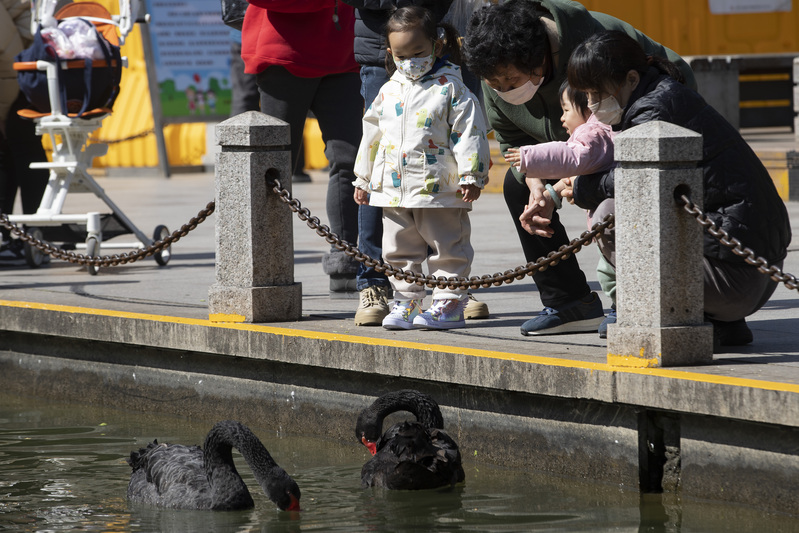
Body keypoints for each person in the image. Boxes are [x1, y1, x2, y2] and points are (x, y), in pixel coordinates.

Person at [462, 0, 696, 338]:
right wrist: (537, 186)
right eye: (494, 83)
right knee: (517, 188)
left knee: (619, 195)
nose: (503, 89)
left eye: (511, 80)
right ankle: (569, 303)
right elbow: (514, 142)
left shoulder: (591, 43)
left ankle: (638, 300)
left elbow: (617, 125)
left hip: (629, 130)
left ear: (539, 56)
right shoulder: (495, 70)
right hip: (575, 143)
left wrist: (576, 180)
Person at [565, 30, 791, 347]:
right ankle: (719, 321)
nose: (590, 104)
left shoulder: (654, 111)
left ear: (631, 79)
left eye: (595, 92)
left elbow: (631, 180)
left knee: (610, 214)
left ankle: (675, 317)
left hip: (739, 276)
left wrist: (580, 187)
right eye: (586, 94)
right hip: (758, 269)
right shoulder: (666, 95)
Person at [341, 0, 490, 326]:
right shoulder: (389, 90)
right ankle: (406, 302)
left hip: (439, 188)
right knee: (398, 250)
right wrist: (364, 178)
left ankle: (449, 303)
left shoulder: (452, 88)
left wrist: (471, 174)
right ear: (390, 53)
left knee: (447, 246)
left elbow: (471, 132)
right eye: (401, 56)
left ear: (437, 46)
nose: (409, 62)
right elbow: (372, 136)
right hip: (395, 189)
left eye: (417, 53)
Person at [241, 1, 362, 296]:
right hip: (282, 55)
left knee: (351, 162)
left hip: (345, 52)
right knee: (274, 170)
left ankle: (345, 262)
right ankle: (268, 269)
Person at [503, 79, 616, 336]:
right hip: (608, 226)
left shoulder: (592, 133)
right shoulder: (600, 131)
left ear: (588, 108)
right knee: (610, 270)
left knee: (614, 271)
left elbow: (574, 156)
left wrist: (529, 157)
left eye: (566, 110)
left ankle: (625, 311)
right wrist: (549, 194)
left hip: (614, 225)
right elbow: (573, 175)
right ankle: (620, 309)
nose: (562, 118)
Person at [0, 0, 48, 257]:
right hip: (33, 72)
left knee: (17, 147)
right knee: (23, 150)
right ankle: (36, 232)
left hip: (20, 78)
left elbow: (5, 53)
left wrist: (3, 110)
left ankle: (35, 234)